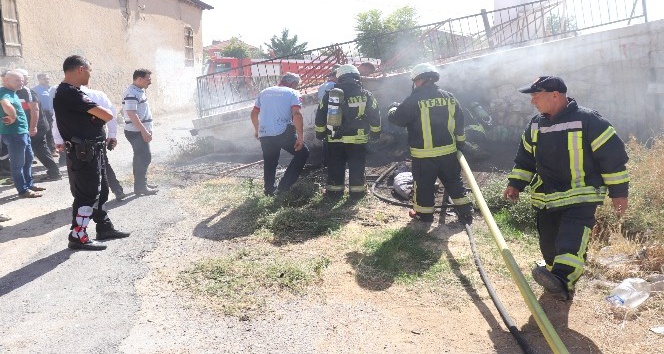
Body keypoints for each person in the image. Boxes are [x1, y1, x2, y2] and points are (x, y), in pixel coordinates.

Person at [504, 76, 629, 300]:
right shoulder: (535, 125)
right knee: (549, 246)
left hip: (581, 196)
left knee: (570, 242)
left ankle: (563, 279)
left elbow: (612, 159)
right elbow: (525, 159)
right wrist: (515, 184)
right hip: (547, 199)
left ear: (555, 95)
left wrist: (619, 193)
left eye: (536, 95)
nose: (533, 101)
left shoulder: (589, 120)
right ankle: (556, 279)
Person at [53, 55, 131, 250]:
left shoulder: (74, 92)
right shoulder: (69, 93)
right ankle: (78, 235)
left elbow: (101, 117)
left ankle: (103, 227)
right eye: (89, 70)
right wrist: (97, 117)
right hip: (83, 152)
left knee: (102, 189)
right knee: (87, 194)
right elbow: (107, 114)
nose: (90, 74)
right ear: (80, 69)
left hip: (93, 150)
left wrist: (96, 118)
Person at [387, 63, 472, 223]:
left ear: (418, 80)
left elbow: (398, 119)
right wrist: (460, 143)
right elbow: (460, 122)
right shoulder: (448, 97)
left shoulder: (414, 99)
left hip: (424, 156)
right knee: (454, 181)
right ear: (433, 79)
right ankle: (466, 212)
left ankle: (424, 214)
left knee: (423, 185)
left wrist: (392, 109)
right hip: (448, 152)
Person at [314, 64, 381, 198]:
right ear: (357, 77)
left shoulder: (329, 96)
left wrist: (320, 134)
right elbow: (375, 115)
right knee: (357, 167)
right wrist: (375, 133)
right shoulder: (366, 95)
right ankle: (357, 194)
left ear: (339, 78)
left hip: (335, 138)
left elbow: (320, 116)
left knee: (335, 166)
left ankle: (334, 193)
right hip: (358, 139)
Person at [53, 85, 126, 200]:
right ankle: (116, 190)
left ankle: (84, 198)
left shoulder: (64, 96)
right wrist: (112, 135)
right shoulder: (98, 95)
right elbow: (111, 114)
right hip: (97, 137)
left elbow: (57, 120)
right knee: (103, 164)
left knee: (78, 169)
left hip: (74, 139)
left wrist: (58, 140)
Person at [250, 72, 310, 196]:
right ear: (293, 84)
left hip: (265, 133)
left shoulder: (264, 92)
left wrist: (257, 130)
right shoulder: (293, 93)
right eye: (296, 85)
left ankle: (269, 190)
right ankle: (284, 187)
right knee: (303, 153)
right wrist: (300, 137)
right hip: (283, 132)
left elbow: (254, 113)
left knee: (270, 160)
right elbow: (297, 115)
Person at [0, 70, 44, 198]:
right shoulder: (4, 92)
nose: (21, 83)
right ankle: (23, 190)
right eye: (17, 80)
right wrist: (12, 115)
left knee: (28, 159)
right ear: (6, 81)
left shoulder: (12, 92)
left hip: (22, 133)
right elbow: (5, 103)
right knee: (17, 164)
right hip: (14, 134)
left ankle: (29, 184)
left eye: (21, 80)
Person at [15, 69, 61, 181]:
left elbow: (35, 110)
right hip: (33, 125)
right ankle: (52, 172)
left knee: (39, 149)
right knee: (39, 148)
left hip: (37, 126)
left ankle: (54, 173)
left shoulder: (27, 92)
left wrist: (33, 127)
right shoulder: (18, 92)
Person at [122, 68, 158, 195]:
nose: (150, 82)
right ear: (139, 79)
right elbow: (132, 114)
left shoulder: (139, 91)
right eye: (148, 79)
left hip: (139, 130)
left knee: (140, 158)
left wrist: (148, 129)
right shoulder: (132, 92)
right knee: (144, 157)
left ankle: (141, 184)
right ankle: (140, 187)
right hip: (135, 131)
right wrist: (143, 131)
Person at [32, 73, 58, 155]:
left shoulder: (52, 89)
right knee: (47, 131)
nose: (47, 80)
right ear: (39, 80)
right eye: (44, 79)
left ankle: (54, 147)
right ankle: (51, 150)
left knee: (54, 130)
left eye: (48, 78)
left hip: (54, 112)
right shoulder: (35, 90)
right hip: (43, 113)